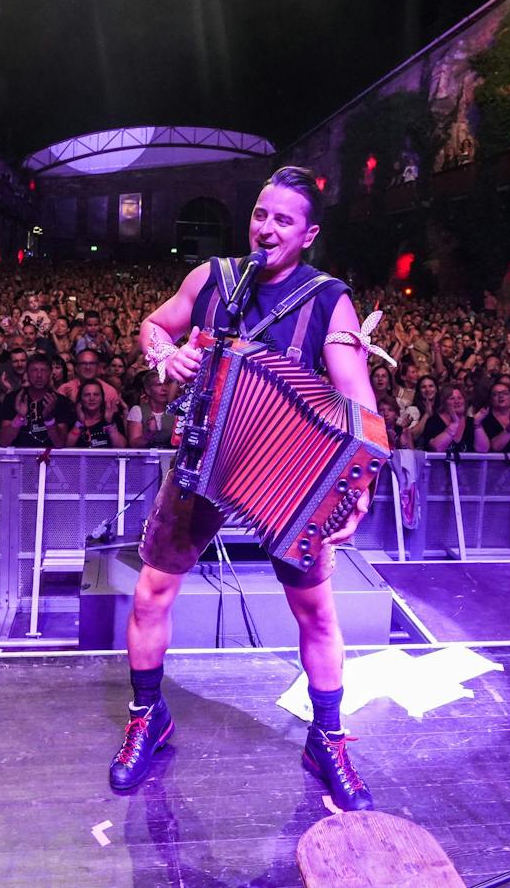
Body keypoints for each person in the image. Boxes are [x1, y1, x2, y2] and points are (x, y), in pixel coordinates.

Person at [110, 167, 377, 811]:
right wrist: (162, 356)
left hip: (288, 472)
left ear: (307, 235)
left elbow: (357, 396)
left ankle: (329, 737)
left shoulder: (327, 300)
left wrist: (361, 481)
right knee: (152, 591)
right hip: (205, 455)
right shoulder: (212, 280)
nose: (267, 228)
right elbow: (154, 325)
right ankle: (148, 717)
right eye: (261, 214)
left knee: (316, 612)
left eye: (284, 220)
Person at [0, 355, 73, 448]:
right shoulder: (13, 398)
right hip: (20, 458)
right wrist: (19, 418)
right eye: (34, 370)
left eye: (43, 370)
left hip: (50, 459)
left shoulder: (60, 401)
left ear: (50, 373)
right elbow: (4, 442)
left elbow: (60, 443)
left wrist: (49, 419)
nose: (39, 375)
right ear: (27, 373)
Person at [125, 373, 179, 449]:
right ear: (147, 390)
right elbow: (133, 443)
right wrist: (149, 434)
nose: (164, 389)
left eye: (166, 384)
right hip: (145, 458)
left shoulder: (176, 411)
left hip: (170, 458)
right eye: (159, 385)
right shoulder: (137, 410)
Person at [419, 383, 477, 453]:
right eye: (452, 398)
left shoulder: (472, 422)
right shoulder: (433, 421)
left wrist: (478, 425)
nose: (457, 401)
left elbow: (483, 449)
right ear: (444, 403)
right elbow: (437, 448)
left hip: (469, 464)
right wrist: (454, 424)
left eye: (460, 398)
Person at [69, 379, 126, 448]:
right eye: (87, 395)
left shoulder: (112, 417)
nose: (92, 398)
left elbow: (121, 446)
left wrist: (109, 423)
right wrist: (80, 423)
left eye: (96, 395)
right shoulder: (73, 419)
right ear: (80, 399)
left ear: (102, 398)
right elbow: (67, 446)